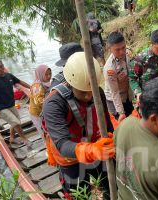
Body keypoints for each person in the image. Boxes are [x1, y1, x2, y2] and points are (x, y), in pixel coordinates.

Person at [42, 52, 114, 199]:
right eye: (83, 92)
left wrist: (112, 140)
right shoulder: (54, 104)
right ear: (70, 83)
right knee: (79, 194)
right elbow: (62, 144)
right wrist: (90, 151)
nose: (88, 96)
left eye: (91, 91)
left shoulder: (97, 92)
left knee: (109, 186)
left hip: (96, 147)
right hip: (70, 158)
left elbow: (106, 123)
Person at [0, 59, 30, 145]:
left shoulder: (9, 76)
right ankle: (25, 140)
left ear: (3, 66)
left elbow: (19, 81)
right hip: (1, 108)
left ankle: (12, 138)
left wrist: (31, 87)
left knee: (15, 122)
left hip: (11, 104)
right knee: (16, 122)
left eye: (1, 66)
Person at [129, 28, 158, 101]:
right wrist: (138, 93)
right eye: (157, 48)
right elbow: (131, 78)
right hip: (148, 98)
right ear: (151, 44)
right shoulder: (140, 59)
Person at [103, 31, 134, 122]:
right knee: (120, 125)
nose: (122, 52)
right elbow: (114, 92)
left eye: (123, 47)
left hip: (127, 96)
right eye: (117, 49)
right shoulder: (110, 69)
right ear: (110, 49)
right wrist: (121, 112)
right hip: (114, 101)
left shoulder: (127, 53)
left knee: (132, 120)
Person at [29, 64, 52, 138]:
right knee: (44, 132)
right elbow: (39, 101)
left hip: (43, 111)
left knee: (47, 129)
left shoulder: (44, 83)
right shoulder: (37, 86)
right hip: (37, 114)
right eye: (46, 74)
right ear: (40, 74)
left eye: (50, 74)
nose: (49, 76)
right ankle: (48, 146)